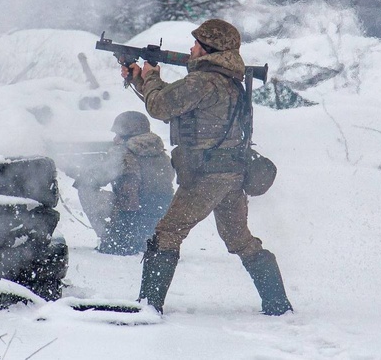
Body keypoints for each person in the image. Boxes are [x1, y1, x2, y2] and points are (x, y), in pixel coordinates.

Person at [120, 19, 293, 315]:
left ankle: (149, 306)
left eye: (196, 44)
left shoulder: (202, 82)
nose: (191, 49)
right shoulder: (226, 82)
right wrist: (141, 78)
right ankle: (278, 304)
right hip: (230, 174)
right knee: (240, 240)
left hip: (207, 177)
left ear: (209, 49)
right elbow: (170, 106)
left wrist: (149, 75)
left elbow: (160, 107)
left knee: (167, 233)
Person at [72, 111, 175, 255]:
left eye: (118, 134)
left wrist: (76, 171)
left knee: (85, 188)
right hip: (159, 224)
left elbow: (93, 178)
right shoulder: (160, 153)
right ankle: (143, 240)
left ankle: (110, 239)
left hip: (130, 222)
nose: (115, 139)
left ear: (128, 134)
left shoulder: (123, 153)